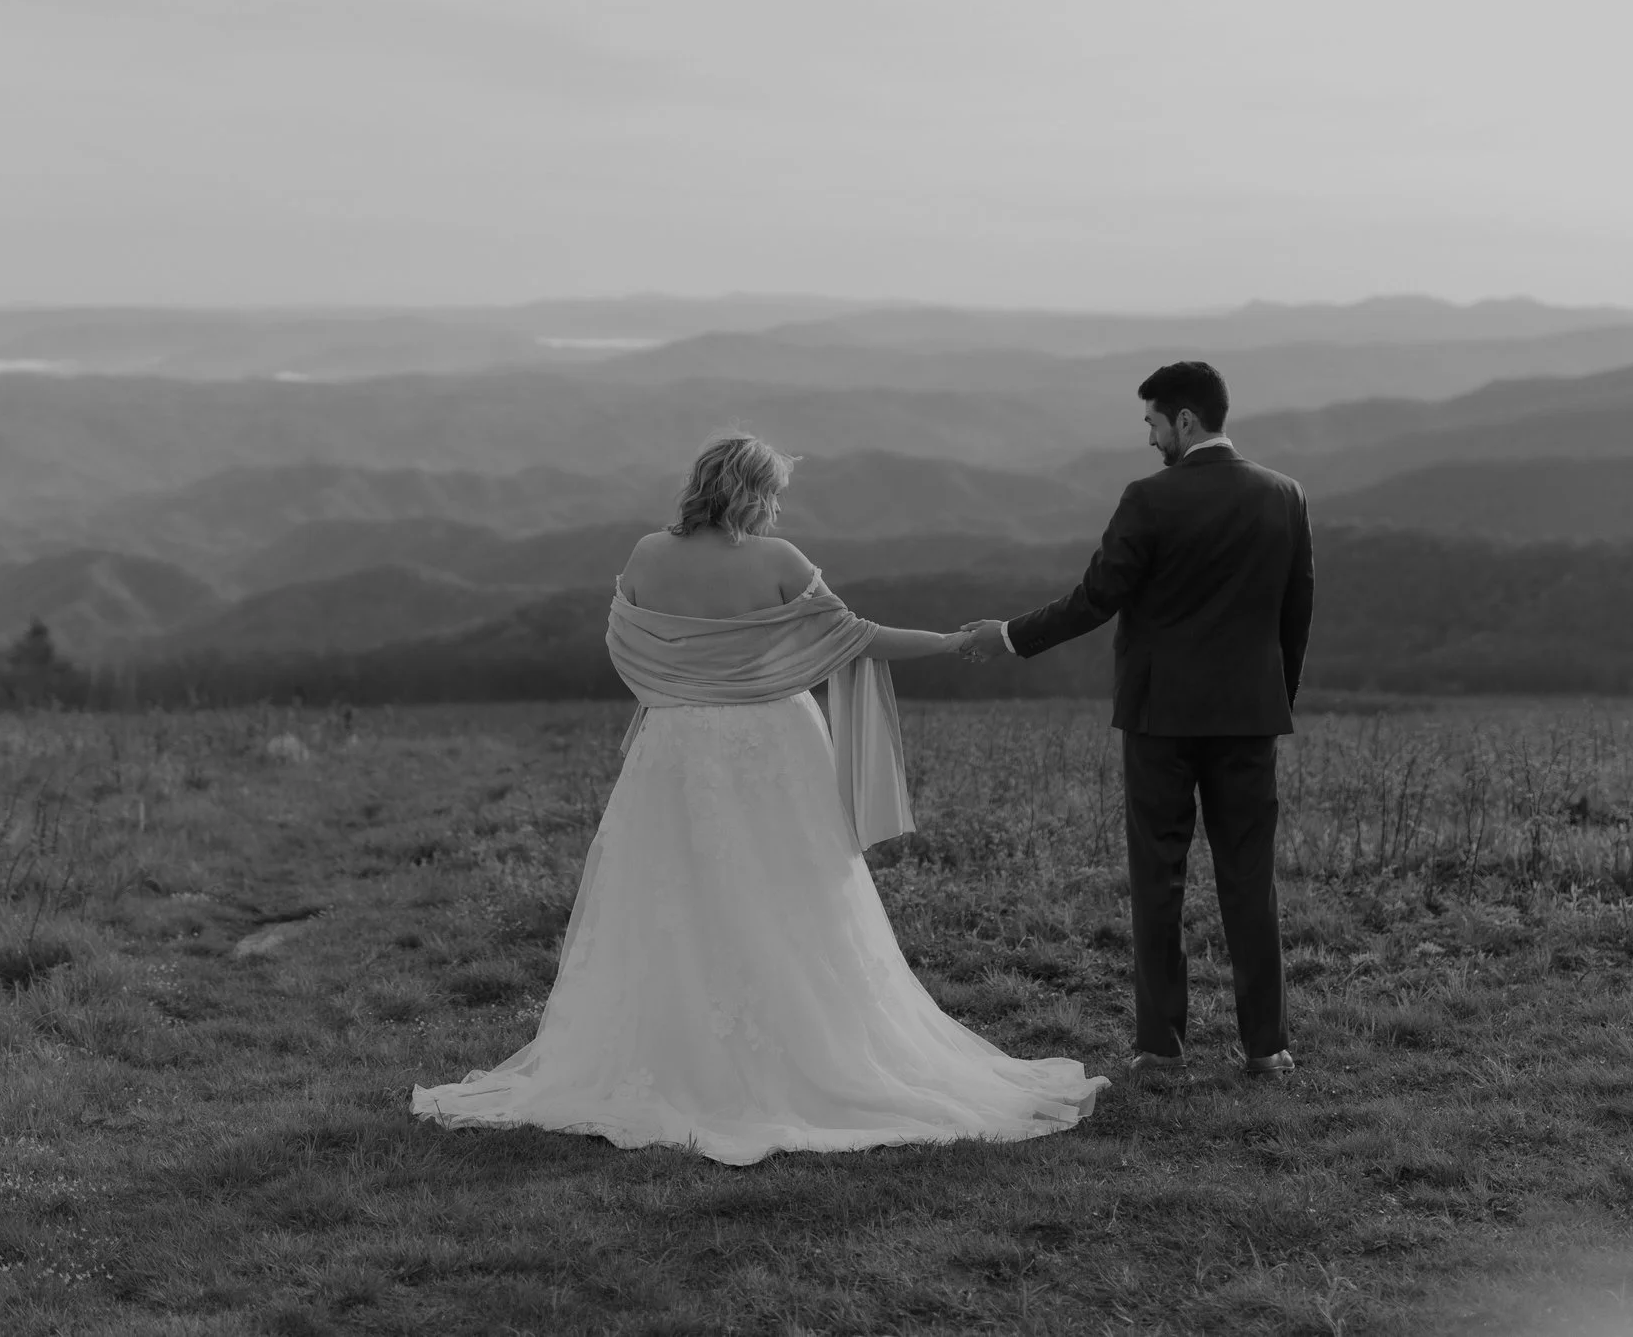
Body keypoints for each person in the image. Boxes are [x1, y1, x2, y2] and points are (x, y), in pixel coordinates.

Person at [411, 432, 1110, 1164]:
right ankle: (803, 1047)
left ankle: (669, 1052)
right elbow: (856, 637)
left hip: (675, 750)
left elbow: (626, 646)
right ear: (751, 492)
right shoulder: (778, 562)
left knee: (670, 892)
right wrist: (951, 641)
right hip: (771, 748)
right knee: (795, 891)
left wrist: (681, 691)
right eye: (772, 492)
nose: (777, 506)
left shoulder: (648, 555)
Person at [962, 361, 1313, 1081]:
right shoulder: (1285, 495)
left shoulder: (1149, 499)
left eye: (1153, 422)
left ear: (1184, 420)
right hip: (1250, 716)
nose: (1150, 438)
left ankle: (1160, 1048)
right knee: (1251, 877)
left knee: (1159, 877)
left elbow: (1097, 597)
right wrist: (1273, 700)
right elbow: (1295, 613)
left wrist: (1008, 634)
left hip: (1160, 716)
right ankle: (1268, 1048)